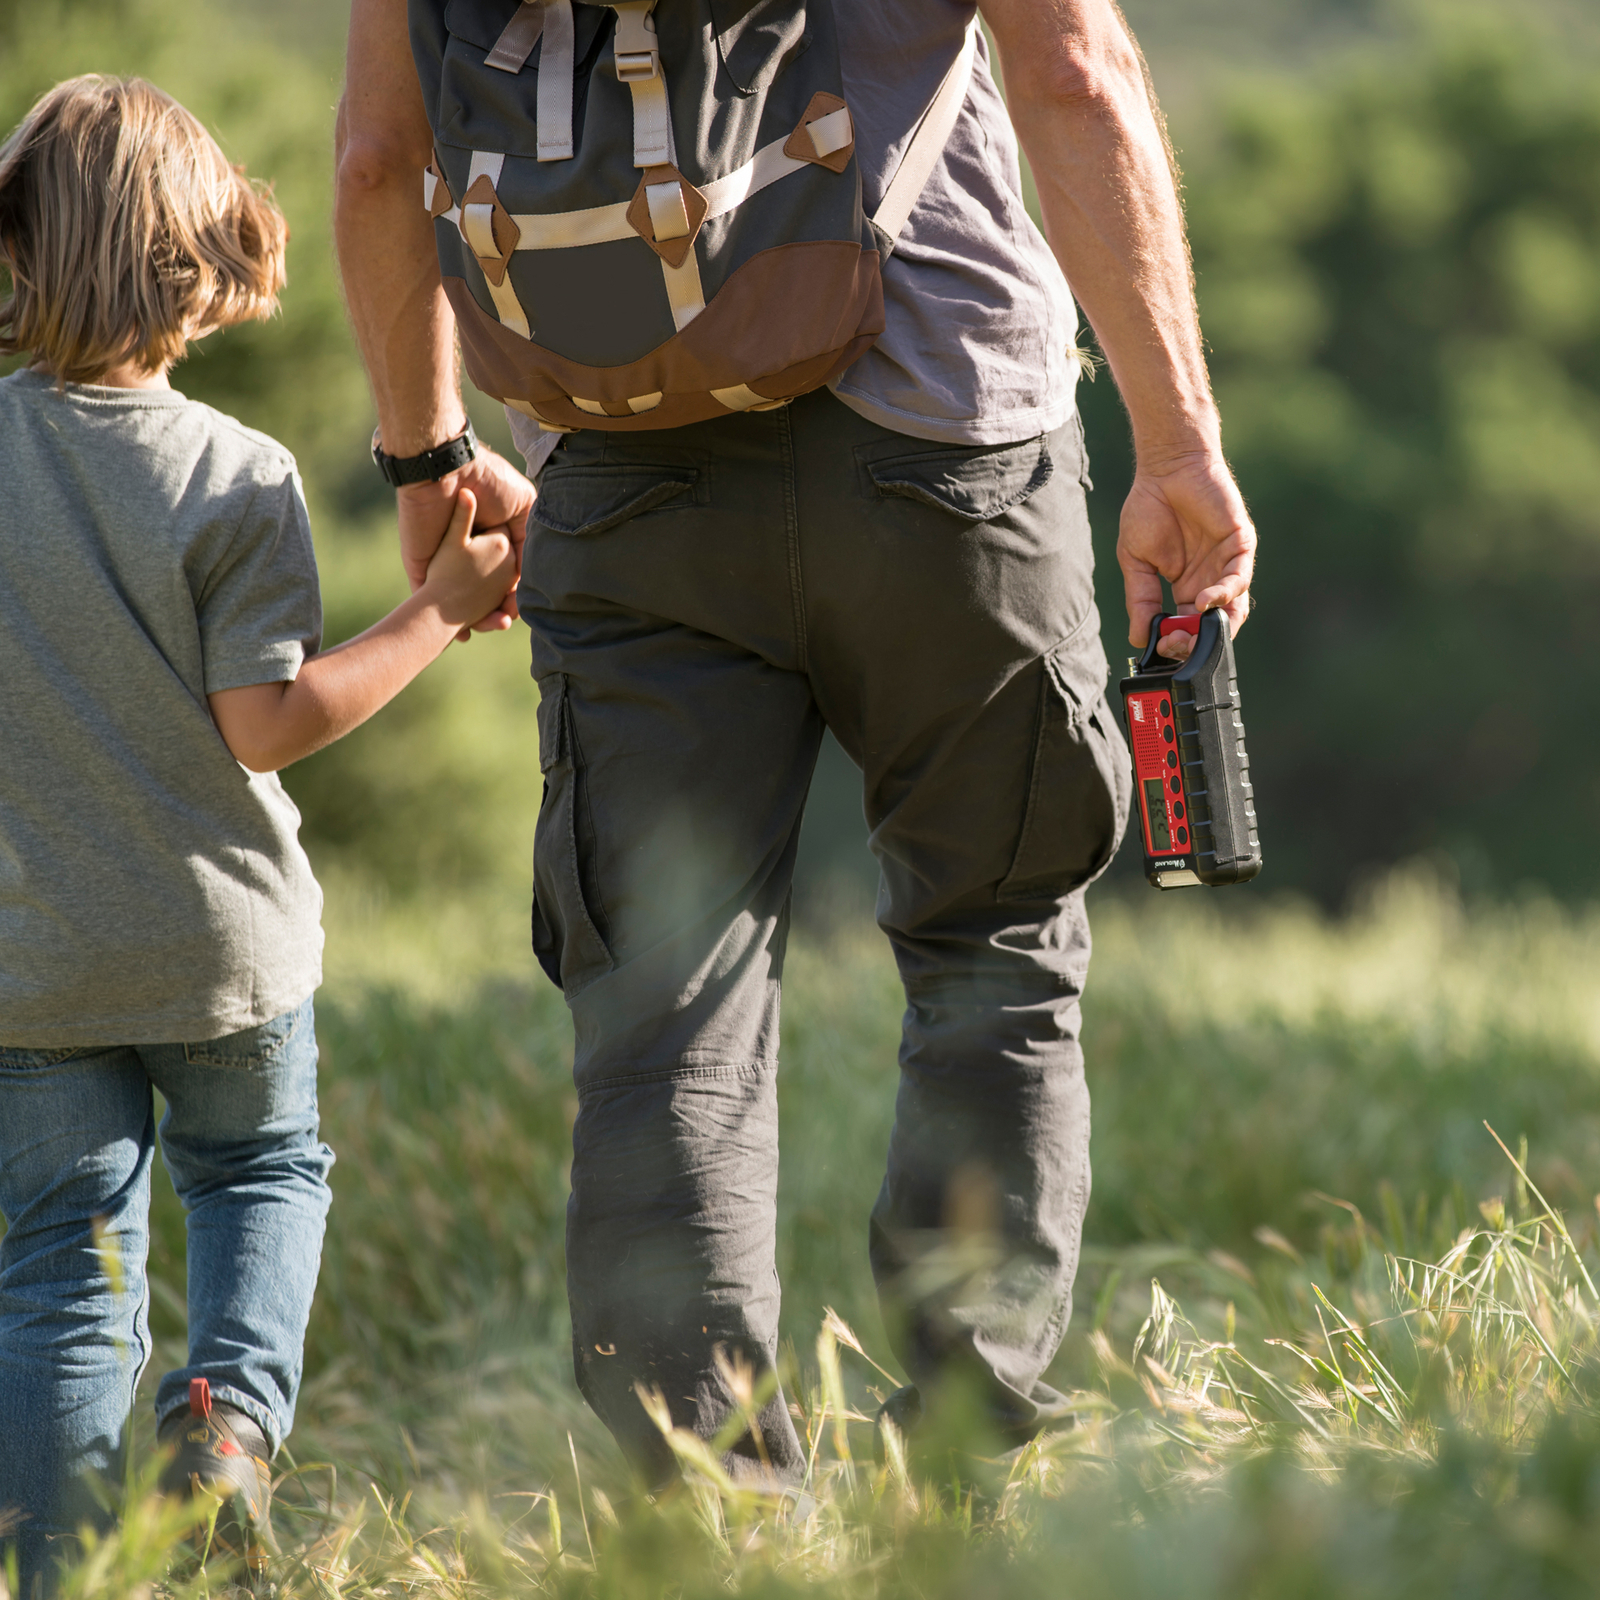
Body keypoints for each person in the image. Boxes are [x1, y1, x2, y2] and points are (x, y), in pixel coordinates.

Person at [334, 0, 1255, 1486]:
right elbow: (1075, 72)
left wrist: (427, 450)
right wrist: (1180, 447)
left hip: (625, 476)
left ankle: (709, 1509)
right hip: (947, 440)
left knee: (663, 1008)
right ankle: (962, 1470)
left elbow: (382, 156)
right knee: (994, 949)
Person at [0, 75, 517, 1593]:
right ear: (195, 261)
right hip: (224, 944)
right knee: (260, 1174)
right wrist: (439, 609)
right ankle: (222, 1433)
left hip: (33, 963)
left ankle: (67, 1575)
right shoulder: (235, 475)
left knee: (59, 1264)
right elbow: (268, 726)